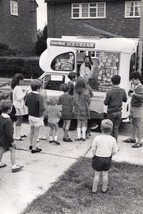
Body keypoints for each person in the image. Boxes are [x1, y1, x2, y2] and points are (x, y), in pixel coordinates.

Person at [91, 119, 118, 193]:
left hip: (98, 158)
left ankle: (94, 189)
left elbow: (93, 149)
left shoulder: (97, 138)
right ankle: (104, 189)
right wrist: (110, 154)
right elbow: (115, 150)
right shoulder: (113, 139)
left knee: (97, 174)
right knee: (105, 174)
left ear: (101, 128)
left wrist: (94, 155)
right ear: (111, 129)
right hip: (107, 158)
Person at [0, 100, 24, 172]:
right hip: (7, 139)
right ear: (9, 110)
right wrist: (12, 141)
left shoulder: (0, 117)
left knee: (2, 149)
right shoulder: (8, 121)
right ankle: (14, 166)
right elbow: (8, 133)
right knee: (13, 150)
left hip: (1, 137)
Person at [104, 75, 127, 141]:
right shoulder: (122, 91)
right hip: (119, 112)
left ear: (112, 82)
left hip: (111, 112)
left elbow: (105, 103)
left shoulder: (109, 92)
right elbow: (125, 100)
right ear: (119, 82)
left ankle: (110, 143)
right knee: (116, 128)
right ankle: (115, 143)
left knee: (110, 128)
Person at [123, 71, 143, 148]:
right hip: (133, 106)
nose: (132, 81)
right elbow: (130, 94)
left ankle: (139, 142)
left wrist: (134, 94)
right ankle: (132, 138)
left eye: (133, 80)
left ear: (137, 79)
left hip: (138, 108)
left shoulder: (141, 87)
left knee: (139, 125)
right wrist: (130, 91)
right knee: (133, 123)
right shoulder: (135, 86)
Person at [25, 79, 45, 153]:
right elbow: (42, 108)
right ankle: (34, 147)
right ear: (38, 88)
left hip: (30, 115)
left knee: (31, 131)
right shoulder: (39, 96)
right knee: (36, 133)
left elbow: (26, 103)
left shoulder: (29, 94)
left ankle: (30, 144)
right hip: (37, 116)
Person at [11, 73, 28, 141]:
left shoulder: (17, 87)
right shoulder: (17, 88)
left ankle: (18, 133)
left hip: (18, 105)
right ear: (18, 80)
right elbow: (19, 98)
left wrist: (23, 93)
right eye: (21, 80)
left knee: (20, 120)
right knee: (19, 120)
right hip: (18, 106)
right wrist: (25, 93)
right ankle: (16, 136)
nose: (22, 81)